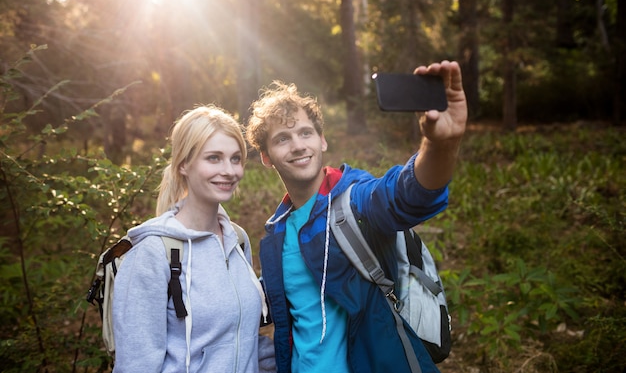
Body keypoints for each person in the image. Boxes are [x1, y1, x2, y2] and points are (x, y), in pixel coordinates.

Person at [245, 60, 467, 373]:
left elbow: (406, 196)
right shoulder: (276, 235)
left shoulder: (354, 199)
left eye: (306, 133)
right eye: (283, 138)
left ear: (322, 141)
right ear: (266, 157)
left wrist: (440, 143)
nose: (298, 146)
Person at [112, 105, 276, 373]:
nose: (229, 170)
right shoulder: (153, 253)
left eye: (236, 159)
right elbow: (135, 365)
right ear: (184, 164)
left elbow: (239, 340)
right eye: (213, 158)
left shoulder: (238, 240)